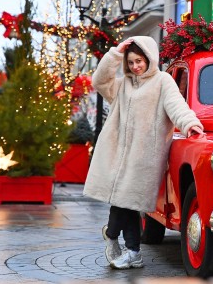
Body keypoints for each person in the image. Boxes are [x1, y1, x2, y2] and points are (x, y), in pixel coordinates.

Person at [83, 36, 204, 270]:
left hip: (143, 157)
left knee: (127, 202)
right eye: (130, 63)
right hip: (116, 154)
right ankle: (133, 253)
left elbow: (177, 106)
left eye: (139, 61)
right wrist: (116, 54)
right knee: (124, 203)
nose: (135, 67)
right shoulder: (123, 85)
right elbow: (99, 80)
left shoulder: (163, 81)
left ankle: (112, 234)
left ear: (149, 58)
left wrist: (190, 123)